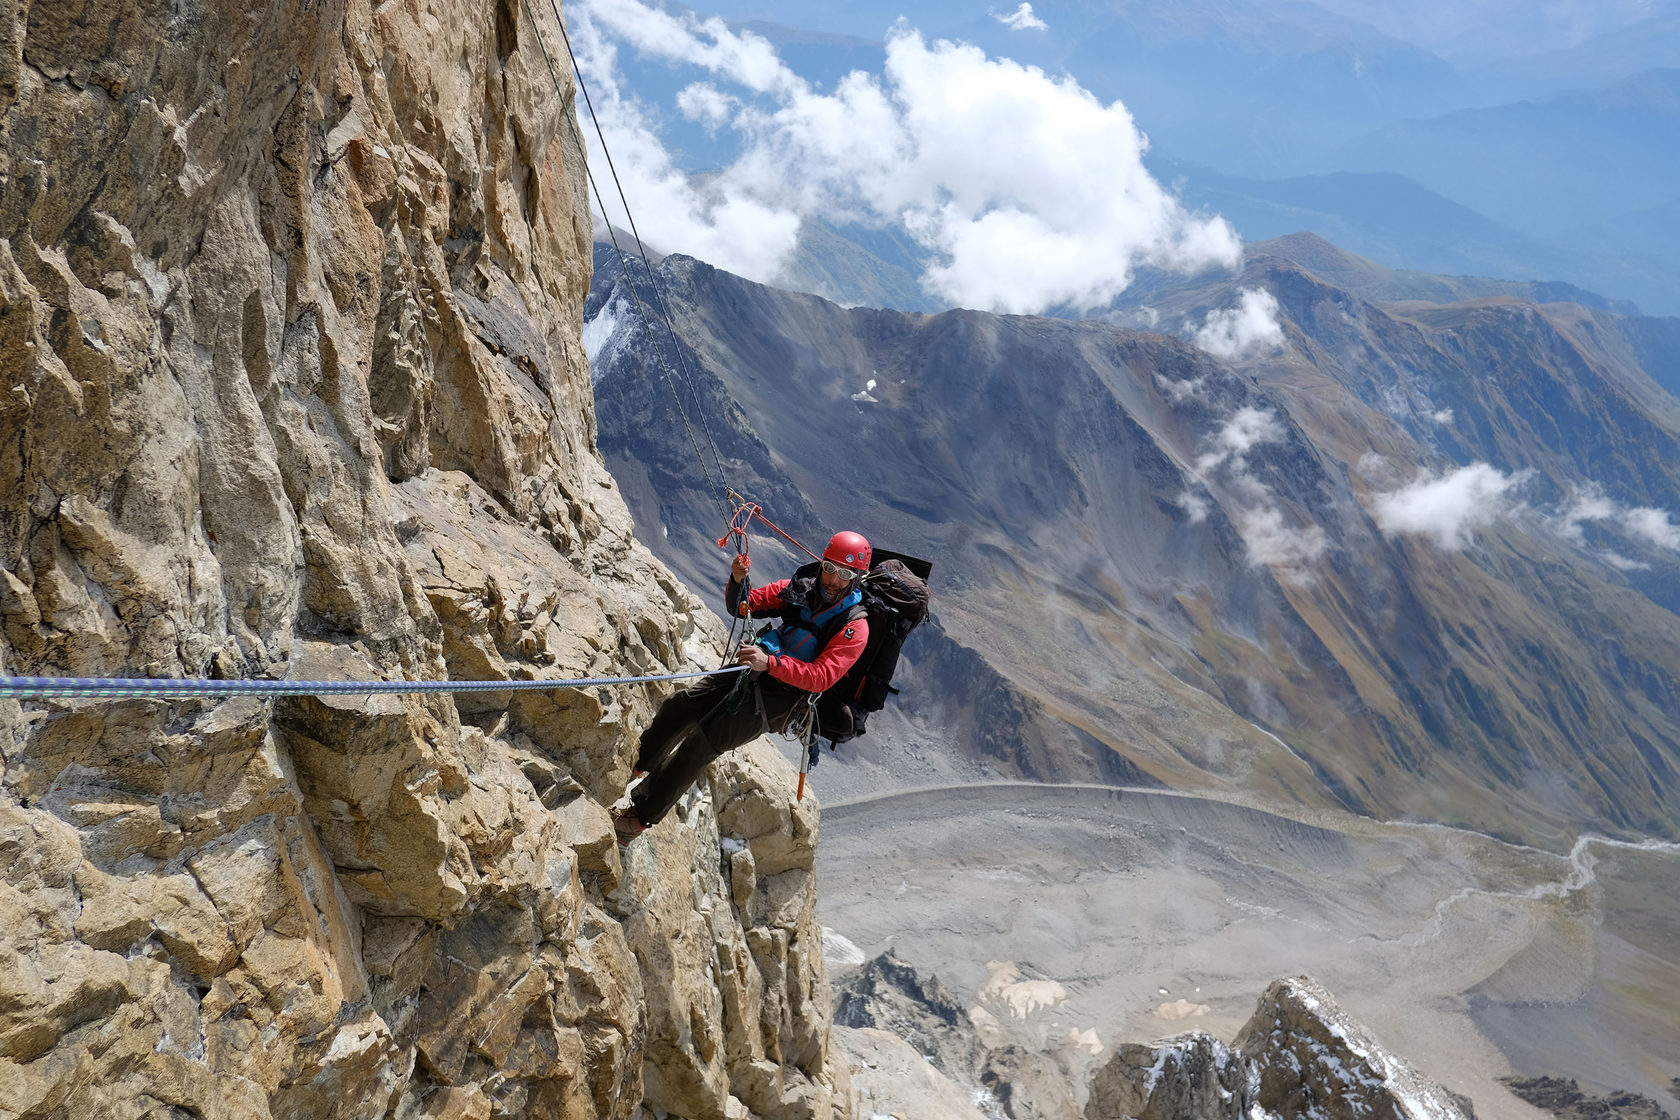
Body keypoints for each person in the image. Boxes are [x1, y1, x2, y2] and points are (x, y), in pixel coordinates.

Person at [613, 531, 873, 845]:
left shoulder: (854, 627)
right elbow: (744, 606)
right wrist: (738, 581)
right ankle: (636, 764)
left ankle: (638, 820)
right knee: (682, 705)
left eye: (844, 574)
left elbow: (821, 676)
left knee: (702, 743)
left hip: (780, 699)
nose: (833, 579)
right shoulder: (800, 589)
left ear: (856, 578)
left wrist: (770, 664)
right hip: (755, 669)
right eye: (829, 568)